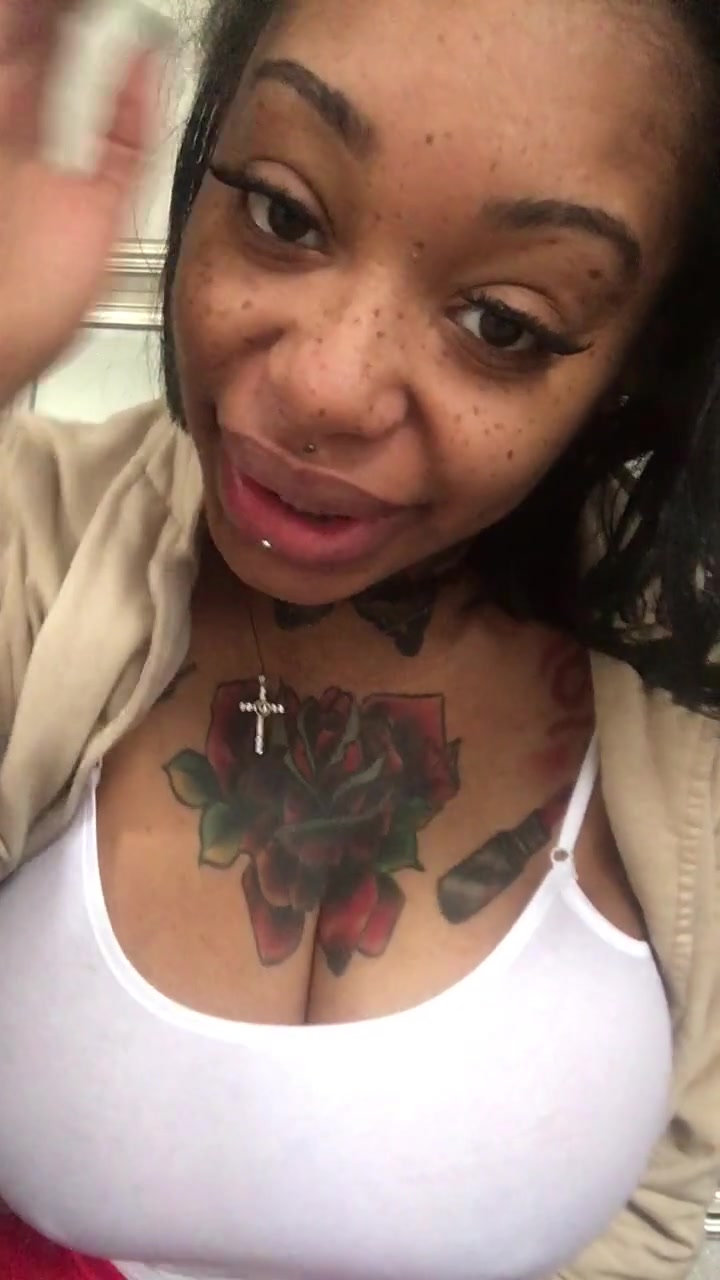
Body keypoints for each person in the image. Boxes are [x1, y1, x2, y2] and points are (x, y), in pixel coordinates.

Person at [0, 0, 717, 1276]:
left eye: (502, 322)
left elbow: (669, 1205)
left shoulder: (692, 703)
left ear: (638, 356)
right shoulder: (33, 547)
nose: (323, 385)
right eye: (283, 213)